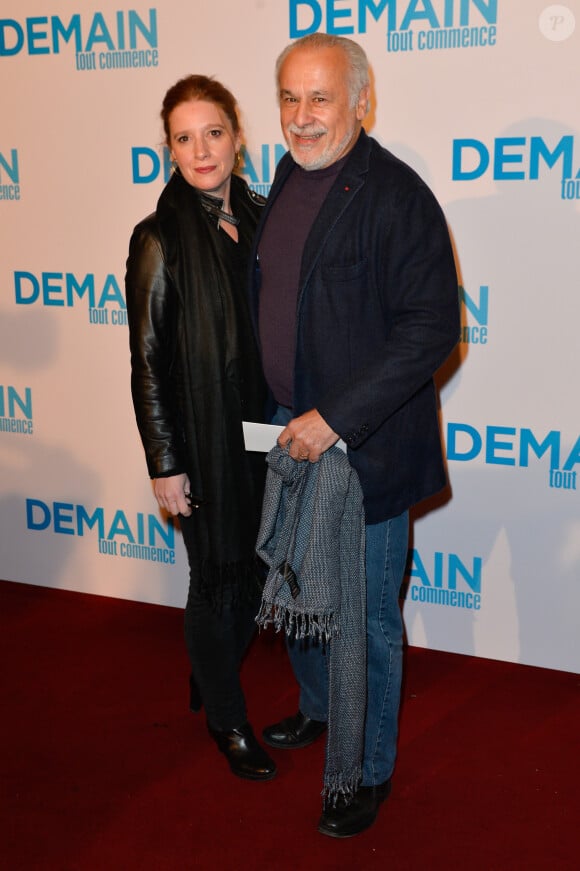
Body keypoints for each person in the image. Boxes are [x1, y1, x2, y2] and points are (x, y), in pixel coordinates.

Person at [250, 34, 460, 835]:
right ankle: (315, 706)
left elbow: (431, 324)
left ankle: (367, 768)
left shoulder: (396, 195)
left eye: (321, 98)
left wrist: (337, 415)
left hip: (362, 447)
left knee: (367, 615)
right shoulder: (286, 175)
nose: (302, 118)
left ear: (361, 102)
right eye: (289, 99)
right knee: (302, 592)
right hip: (284, 430)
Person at [125, 75, 276, 782]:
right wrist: (165, 460)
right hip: (203, 441)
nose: (201, 149)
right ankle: (226, 714)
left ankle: (206, 670)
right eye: (184, 138)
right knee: (217, 579)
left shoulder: (263, 213)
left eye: (213, 132)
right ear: (170, 149)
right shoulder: (159, 240)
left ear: (238, 135)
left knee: (256, 570)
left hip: (266, 430)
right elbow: (149, 361)